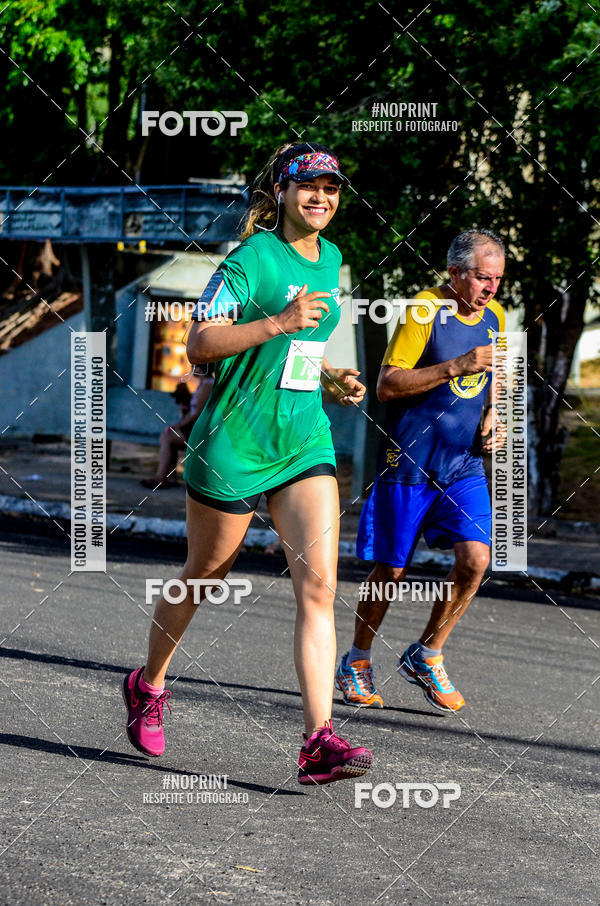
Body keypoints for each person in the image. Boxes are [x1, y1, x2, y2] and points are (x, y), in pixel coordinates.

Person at [123, 142, 374, 785]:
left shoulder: (334, 259)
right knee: (205, 575)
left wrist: (331, 377)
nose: (321, 198)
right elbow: (199, 343)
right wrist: (276, 322)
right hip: (233, 441)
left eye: (332, 189)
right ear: (282, 192)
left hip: (301, 441)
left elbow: (299, 352)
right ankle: (148, 684)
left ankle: (318, 739)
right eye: (308, 187)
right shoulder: (250, 258)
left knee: (319, 587)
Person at [335, 229, 507, 713]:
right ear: (454, 273)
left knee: (476, 560)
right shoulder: (424, 311)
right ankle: (358, 660)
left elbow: (499, 374)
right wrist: (457, 365)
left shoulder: (496, 316)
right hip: (409, 461)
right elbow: (388, 384)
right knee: (390, 567)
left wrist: (494, 415)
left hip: (463, 464)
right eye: (481, 277)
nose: (490, 288)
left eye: (497, 279)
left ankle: (427, 653)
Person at [140, 369, 214, 490]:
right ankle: (171, 478)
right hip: (194, 428)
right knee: (169, 436)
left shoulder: (208, 384)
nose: (193, 369)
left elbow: (199, 413)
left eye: (196, 366)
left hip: (200, 431)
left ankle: (160, 479)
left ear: (204, 368)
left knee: (167, 437)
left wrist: (179, 425)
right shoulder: (203, 384)